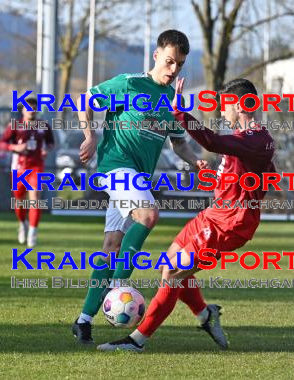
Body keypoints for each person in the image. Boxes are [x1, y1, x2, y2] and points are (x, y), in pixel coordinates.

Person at [97, 78, 276, 352]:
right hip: (214, 215)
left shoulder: (257, 138)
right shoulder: (246, 139)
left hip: (230, 224)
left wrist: (179, 111)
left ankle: (137, 341)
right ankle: (205, 314)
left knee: (172, 273)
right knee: (169, 264)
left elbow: (212, 141)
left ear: (241, 106)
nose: (221, 111)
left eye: (225, 105)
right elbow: (262, 172)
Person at [72, 30, 208, 344]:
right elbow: (86, 100)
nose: (174, 70)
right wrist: (90, 135)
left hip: (137, 179)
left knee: (110, 247)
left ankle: (83, 320)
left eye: (180, 65)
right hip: (116, 166)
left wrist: (195, 161)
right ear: (156, 55)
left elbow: (178, 144)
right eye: (170, 61)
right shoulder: (130, 83)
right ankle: (121, 284)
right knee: (147, 216)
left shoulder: (171, 100)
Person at [0, 97, 55, 247]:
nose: (32, 110)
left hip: (37, 166)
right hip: (19, 167)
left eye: (34, 107)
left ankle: (33, 232)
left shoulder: (44, 125)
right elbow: (2, 143)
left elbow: (50, 143)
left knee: (35, 198)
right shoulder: (15, 125)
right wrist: (15, 148)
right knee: (19, 200)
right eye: (28, 107)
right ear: (23, 110)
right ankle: (22, 224)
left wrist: (45, 150)